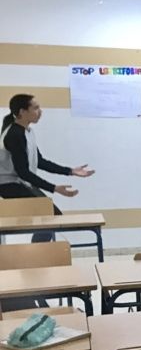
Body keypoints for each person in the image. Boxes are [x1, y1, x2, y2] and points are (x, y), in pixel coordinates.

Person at [0, 94, 94, 242]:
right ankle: (38, 255)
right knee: (51, 216)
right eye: (35, 108)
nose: (40, 111)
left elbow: (40, 161)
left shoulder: (27, 132)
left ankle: (39, 252)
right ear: (22, 112)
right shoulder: (14, 134)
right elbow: (23, 172)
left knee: (51, 216)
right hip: (8, 185)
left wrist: (70, 171)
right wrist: (54, 188)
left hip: (20, 183)